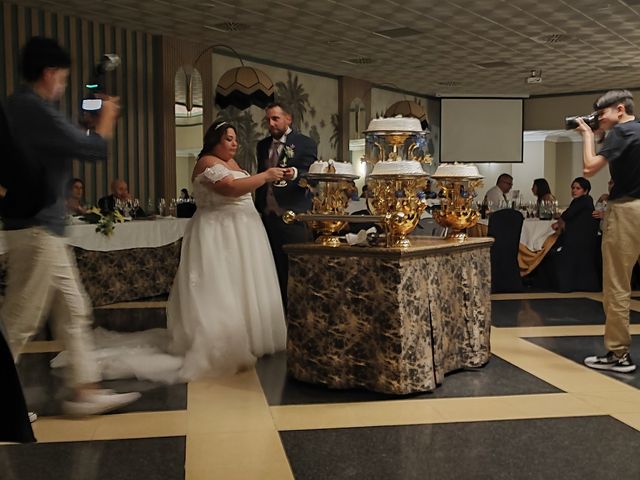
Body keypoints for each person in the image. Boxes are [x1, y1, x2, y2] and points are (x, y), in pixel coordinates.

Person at [0, 37, 140, 416]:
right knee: (19, 319)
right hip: (36, 227)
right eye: (61, 77)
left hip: (45, 227)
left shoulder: (23, 108)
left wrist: (83, 130)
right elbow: (95, 150)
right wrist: (106, 121)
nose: (62, 85)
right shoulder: (32, 109)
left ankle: (84, 389)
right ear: (48, 73)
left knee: (74, 310)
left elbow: (71, 144)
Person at [575, 89, 640, 373]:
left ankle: (618, 355)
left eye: (602, 114)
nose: (599, 119)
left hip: (627, 212)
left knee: (617, 285)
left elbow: (589, 169)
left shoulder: (620, 133)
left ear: (620, 109)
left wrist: (587, 136)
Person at [255, 102, 317, 308]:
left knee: (297, 266)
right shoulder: (262, 146)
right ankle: (278, 312)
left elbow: (313, 174)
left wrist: (296, 174)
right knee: (272, 268)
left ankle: (299, 309)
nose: (271, 123)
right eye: (268, 119)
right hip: (268, 216)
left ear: (288, 119)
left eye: (275, 118)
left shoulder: (305, 143)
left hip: (293, 215)